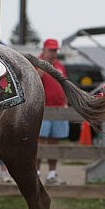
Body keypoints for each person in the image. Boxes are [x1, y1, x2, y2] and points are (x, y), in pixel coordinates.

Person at [36, 38, 68, 185]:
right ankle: (36, 172)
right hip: (44, 108)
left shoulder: (59, 66)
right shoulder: (37, 63)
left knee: (55, 142)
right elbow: (36, 80)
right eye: (51, 50)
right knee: (40, 141)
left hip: (59, 108)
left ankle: (52, 173)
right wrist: (44, 65)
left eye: (55, 50)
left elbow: (64, 84)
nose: (53, 53)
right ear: (44, 50)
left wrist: (66, 102)